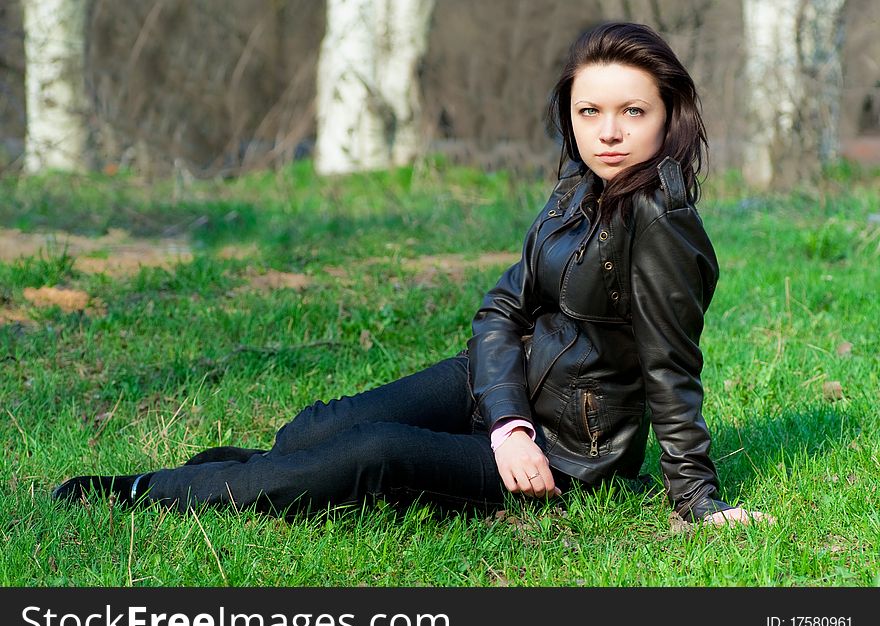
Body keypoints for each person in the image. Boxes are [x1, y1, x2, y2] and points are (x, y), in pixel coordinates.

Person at [53, 22, 772, 527]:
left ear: (667, 115)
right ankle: (254, 475)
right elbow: (500, 311)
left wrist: (698, 500)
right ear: (570, 116)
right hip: (502, 390)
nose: (608, 131)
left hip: (564, 453)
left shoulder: (663, 225)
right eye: (590, 111)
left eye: (631, 112)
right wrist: (507, 417)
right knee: (318, 428)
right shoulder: (576, 192)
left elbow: (671, 370)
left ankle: (148, 492)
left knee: (373, 453)